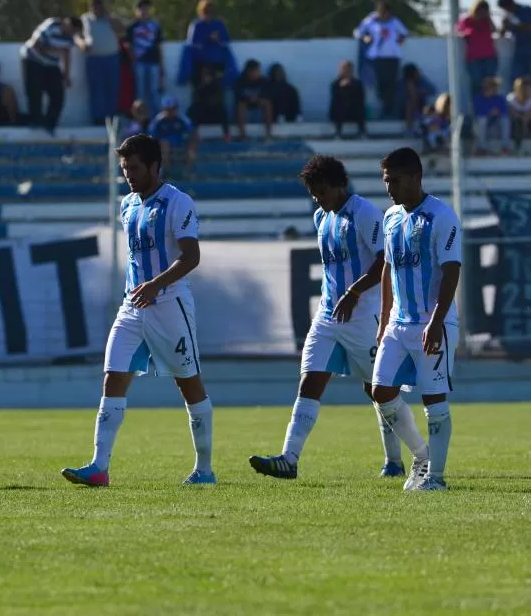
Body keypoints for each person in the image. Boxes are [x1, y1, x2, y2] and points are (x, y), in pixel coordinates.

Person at [60, 134, 215, 487]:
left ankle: (204, 470)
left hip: (169, 303)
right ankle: (100, 467)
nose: (128, 174)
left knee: (189, 384)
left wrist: (156, 283)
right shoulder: (128, 204)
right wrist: (139, 288)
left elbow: (191, 256)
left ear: (154, 166)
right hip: (132, 305)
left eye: (133, 167)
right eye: (124, 168)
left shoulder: (178, 202)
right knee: (113, 376)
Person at [248, 156, 409, 480]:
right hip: (328, 315)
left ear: (340, 185)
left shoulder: (364, 213)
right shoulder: (322, 217)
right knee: (310, 380)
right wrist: (338, 298)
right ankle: (289, 459)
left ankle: (400, 460)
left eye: (322, 191)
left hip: (364, 314)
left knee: (379, 390)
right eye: (313, 193)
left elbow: (385, 262)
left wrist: (354, 293)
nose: (318, 198)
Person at [371, 147, 461, 492]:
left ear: (415, 178)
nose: (389, 188)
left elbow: (451, 272)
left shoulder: (441, 216)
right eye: (385, 181)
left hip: (431, 322)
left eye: (394, 181)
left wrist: (436, 322)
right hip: (397, 323)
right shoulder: (391, 217)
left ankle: (436, 478)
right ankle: (422, 457)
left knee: (433, 399)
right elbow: (388, 271)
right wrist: (383, 322)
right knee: (381, 391)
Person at [20, 16, 82, 135]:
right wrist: (55, 49)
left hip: (51, 63)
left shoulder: (70, 37)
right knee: (34, 92)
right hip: (33, 60)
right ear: (67, 25)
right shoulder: (51, 25)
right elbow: (36, 45)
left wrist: (66, 76)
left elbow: (66, 54)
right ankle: (36, 121)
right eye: (72, 30)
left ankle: (50, 123)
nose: (73, 33)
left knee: (58, 95)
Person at [354, 0, 408, 119]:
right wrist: (365, 37)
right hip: (377, 57)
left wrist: (401, 38)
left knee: (392, 84)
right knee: (380, 84)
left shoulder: (394, 21)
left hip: (392, 56)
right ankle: (384, 108)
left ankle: (390, 110)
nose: (383, 15)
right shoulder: (371, 21)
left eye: (385, 13)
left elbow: (404, 32)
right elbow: (358, 32)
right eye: (381, 12)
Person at [78, 0, 121, 125]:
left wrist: (111, 18)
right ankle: (98, 118)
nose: (96, 8)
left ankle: (112, 117)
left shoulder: (110, 18)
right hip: (94, 58)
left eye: (98, 5)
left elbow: (122, 30)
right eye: (93, 6)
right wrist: (83, 44)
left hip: (112, 58)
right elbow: (80, 35)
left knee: (112, 88)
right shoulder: (85, 19)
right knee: (97, 89)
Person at [125, 0, 165, 118]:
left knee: (153, 91)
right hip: (139, 63)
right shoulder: (132, 26)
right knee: (140, 92)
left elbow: (159, 46)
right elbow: (128, 45)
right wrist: (133, 59)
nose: (144, 11)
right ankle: (140, 118)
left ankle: (155, 117)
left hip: (153, 62)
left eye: (146, 9)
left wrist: (162, 66)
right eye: (141, 9)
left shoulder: (155, 26)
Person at [148, 95, 199, 176]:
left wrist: (192, 142)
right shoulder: (158, 121)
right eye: (168, 109)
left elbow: (193, 132)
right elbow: (151, 136)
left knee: (192, 145)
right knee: (164, 144)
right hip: (163, 147)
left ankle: (187, 171)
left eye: (173, 108)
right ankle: (167, 171)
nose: (171, 111)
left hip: (181, 144)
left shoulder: (182, 119)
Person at [456, 0, 498, 94]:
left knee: (490, 83)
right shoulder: (466, 20)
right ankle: (477, 106)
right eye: (480, 10)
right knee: (476, 83)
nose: (482, 13)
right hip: (474, 59)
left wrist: (488, 18)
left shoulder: (487, 21)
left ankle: (490, 104)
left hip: (490, 57)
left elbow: (494, 30)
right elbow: (459, 31)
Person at [234, 59, 273, 141]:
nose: (258, 73)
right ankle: (242, 135)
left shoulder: (263, 81)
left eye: (258, 71)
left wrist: (257, 98)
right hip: (245, 102)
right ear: (249, 71)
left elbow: (268, 95)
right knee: (240, 105)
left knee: (267, 104)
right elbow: (238, 95)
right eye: (256, 71)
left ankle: (268, 134)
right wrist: (248, 98)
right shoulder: (240, 81)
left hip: (259, 102)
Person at [472, 76, 512, 155]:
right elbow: (477, 113)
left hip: (495, 126)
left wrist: (497, 113)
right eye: (491, 86)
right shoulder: (477, 98)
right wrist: (489, 112)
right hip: (480, 127)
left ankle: (505, 147)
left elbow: (504, 112)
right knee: (482, 120)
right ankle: (482, 147)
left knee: (505, 120)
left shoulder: (500, 98)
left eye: (494, 86)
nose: (493, 88)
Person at [329, 60, 367, 138]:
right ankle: (338, 132)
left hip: (353, 110)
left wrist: (351, 86)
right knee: (338, 108)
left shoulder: (357, 83)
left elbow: (361, 97)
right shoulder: (336, 83)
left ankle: (362, 132)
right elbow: (335, 97)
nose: (346, 71)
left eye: (348, 69)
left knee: (360, 109)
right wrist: (342, 88)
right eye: (344, 69)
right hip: (341, 110)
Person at [498, 0, 531, 83]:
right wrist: (504, 25)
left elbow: (528, 26)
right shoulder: (508, 15)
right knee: (516, 77)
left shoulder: (526, 10)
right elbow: (501, 33)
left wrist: (512, 26)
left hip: (529, 47)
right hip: (519, 50)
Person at [508, 76, 531, 151]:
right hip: (515, 122)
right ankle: (517, 147)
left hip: (528, 122)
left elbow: (528, 115)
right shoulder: (511, 98)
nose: (527, 90)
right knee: (518, 123)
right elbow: (513, 113)